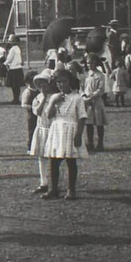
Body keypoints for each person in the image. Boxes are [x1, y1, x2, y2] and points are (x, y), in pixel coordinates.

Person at [41, 68, 86, 201]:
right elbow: (48, 116)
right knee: (53, 161)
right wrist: (54, 102)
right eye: (58, 82)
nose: (61, 84)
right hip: (57, 129)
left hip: (71, 128)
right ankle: (53, 189)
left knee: (71, 161)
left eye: (64, 81)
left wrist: (78, 135)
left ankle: (71, 190)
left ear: (70, 81)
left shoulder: (77, 98)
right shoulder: (55, 97)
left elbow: (82, 117)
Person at [28, 71, 55, 194]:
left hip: (53, 129)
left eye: (45, 84)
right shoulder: (37, 98)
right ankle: (43, 182)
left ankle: (55, 183)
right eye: (40, 85)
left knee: (55, 157)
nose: (43, 87)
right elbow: (37, 112)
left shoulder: (55, 97)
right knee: (41, 156)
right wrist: (43, 98)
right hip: (42, 128)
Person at [82, 57, 107, 150]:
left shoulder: (100, 75)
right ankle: (90, 142)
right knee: (89, 122)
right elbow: (82, 87)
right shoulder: (86, 75)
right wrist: (84, 96)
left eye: (92, 63)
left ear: (96, 63)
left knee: (99, 122)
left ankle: (100, 143)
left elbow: (101, 89)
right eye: (88, 63)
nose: (90, 65)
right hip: (87, 101)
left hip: (96, 101)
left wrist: (92, 97)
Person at [4, 34, 24, 104]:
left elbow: (9, 59)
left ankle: (15, 99)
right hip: (18, 68)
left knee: (14, 85)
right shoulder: (18, 48)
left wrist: (4, 64)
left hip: (13, 68)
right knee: (17, 86)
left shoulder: (12, 49)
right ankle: (16, 98)